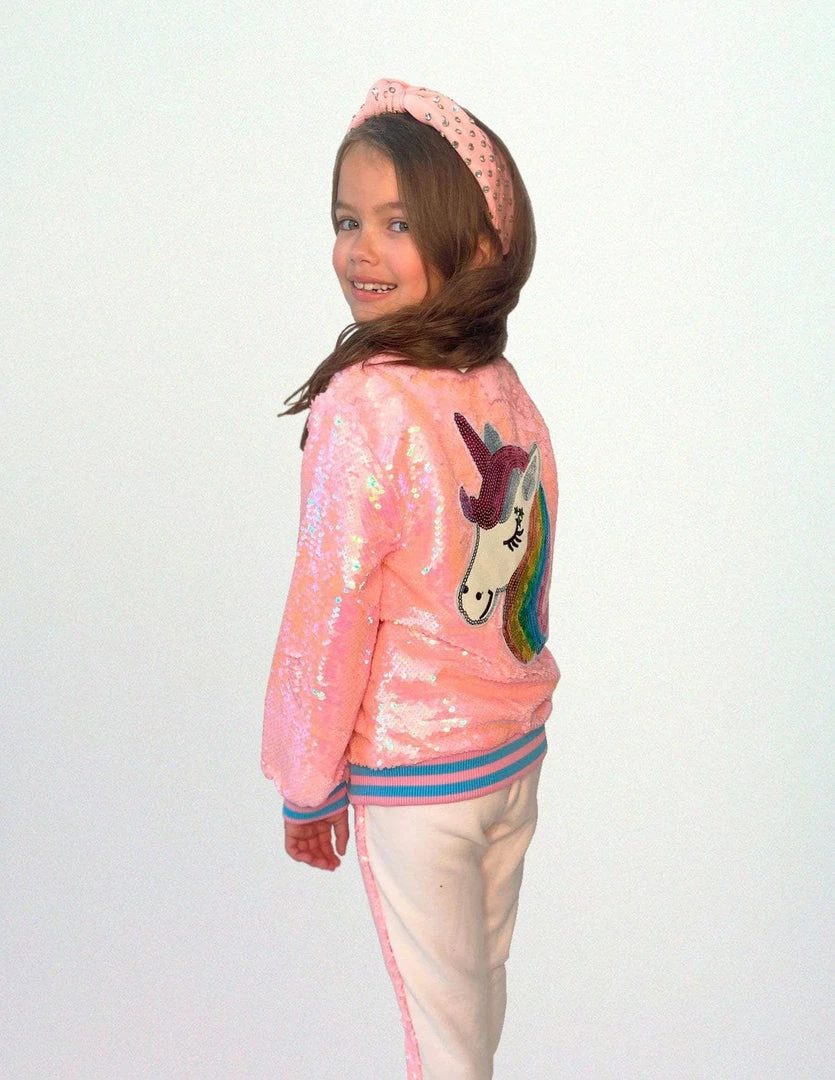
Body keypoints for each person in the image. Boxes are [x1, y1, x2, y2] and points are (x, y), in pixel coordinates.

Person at [262, 78, 559, 1080]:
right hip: (511, 754)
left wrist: (308, 781)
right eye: (347, 221)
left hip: (422, 775)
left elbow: (329, 603)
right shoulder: (500, 390)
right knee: (473, 1011)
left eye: (396, 223)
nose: (361, 250)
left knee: (445, 1040)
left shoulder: (365, 404)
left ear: (475, 246)